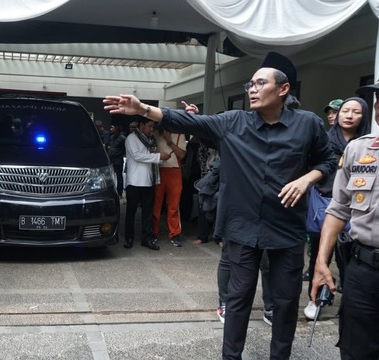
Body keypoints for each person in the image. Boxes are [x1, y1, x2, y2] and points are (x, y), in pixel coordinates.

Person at [104, 51, 337, 359]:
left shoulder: (308, 124)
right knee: (237, 300)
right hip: (242, 228)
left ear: (283, 89)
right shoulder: (233, 123)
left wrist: (307, 179)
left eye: (260, 83)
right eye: (250, 84)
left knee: (284, 303)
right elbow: (190, 120)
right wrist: (145, 109)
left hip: (286, 230)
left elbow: (328, 159)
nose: (252, 89)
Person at [311, 80, 379, 360]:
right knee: (355, 349)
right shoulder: (359, 150)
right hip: (364, 271)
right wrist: (321, 262)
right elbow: (339, 208)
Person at [304, 96, 371, 320]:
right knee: (320, 254)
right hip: (325, 203)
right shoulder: (324, 139)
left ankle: (348, 298)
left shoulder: (368, 144)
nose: (349, 115)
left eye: (355, 112)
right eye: (345, 111)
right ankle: (316, 299)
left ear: (364, 116)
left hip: (357, 209)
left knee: (349, 257)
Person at [123, 117, 169, 250]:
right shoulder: (131, 138)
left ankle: (147, 239)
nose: (151, 129)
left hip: (149, 181)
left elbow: (152, 158)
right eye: (149, 126)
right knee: (131, 212)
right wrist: (158, 156)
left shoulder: (151, 140)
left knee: (147, 213)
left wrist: (162, 158)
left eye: (152, 127)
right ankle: (129, 238)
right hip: (135, 181)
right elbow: (138, 156)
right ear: (141, 125)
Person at [152, 126, 186, 247]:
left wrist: (169, 140)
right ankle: (153, 232)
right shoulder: (154, 133)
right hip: (159, 170)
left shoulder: (179, 134)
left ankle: (175, 233)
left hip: (174, 171)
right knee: (156, 204)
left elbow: (182, 154)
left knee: (174, 204)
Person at [107, 124, 126, 197]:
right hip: (111, 160)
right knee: (110, 177)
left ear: (116, 128)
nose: (111, 129)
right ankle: (111, 191)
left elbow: (125, 149)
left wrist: (119, 154)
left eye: (112, 127)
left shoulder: (122, 138)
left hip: (118, 160)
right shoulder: (111, 137)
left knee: (119, 177)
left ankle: (119, 192)